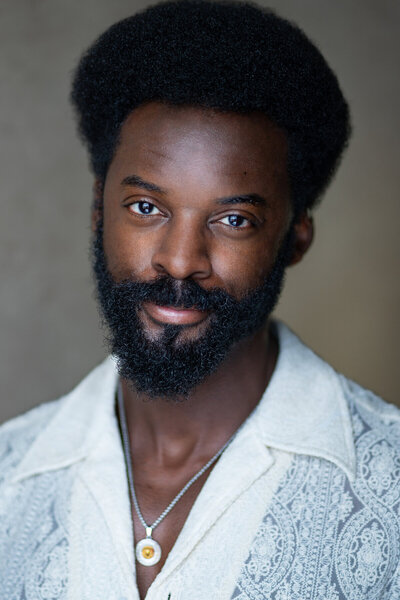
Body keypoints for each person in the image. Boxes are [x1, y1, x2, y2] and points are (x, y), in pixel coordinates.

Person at [1, 1, 399, 598]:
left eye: (233, 219)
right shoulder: (9, 479)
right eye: (146, 207)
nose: (181, 259)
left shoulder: (389, 492)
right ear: (98, 210)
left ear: (295, 238)